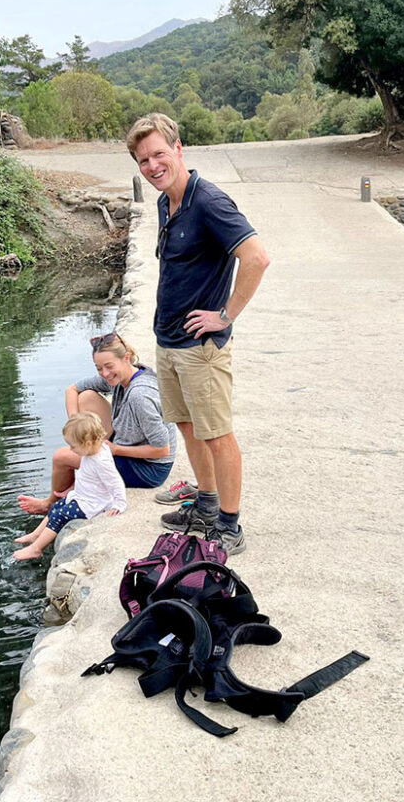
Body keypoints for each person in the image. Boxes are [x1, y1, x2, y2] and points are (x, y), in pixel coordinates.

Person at [125, 113, 269, 556]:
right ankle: (205, 506)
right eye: (143, 159)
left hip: (200, 349)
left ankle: (229, 525)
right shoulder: (166, 201)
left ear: (179, 148)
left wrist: (225, 315)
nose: (151, 166)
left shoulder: (209, 201)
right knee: (188, 427)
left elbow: (257, 258)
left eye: (158, 154)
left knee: (216, 433)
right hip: (169, 341)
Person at [17, 332, 176, 516]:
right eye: (99, 368)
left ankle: (50, 504)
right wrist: (76, 426)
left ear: (126, 358)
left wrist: (115, 450)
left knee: (62, 457)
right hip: (128, 442)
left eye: (109, 366)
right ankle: (73, 484)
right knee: (86, 397)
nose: (105, 374)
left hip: (150, 467)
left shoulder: (140, 396)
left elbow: (163, 450)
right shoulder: (122, 376)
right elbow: (72, 389)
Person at [13, 412, 125, 561]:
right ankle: (35, 535)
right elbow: (87, 475)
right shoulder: (94, 449)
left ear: (88, 443)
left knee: (60, 515)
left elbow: (115, 482)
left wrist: (119, 504)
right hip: (82, 496)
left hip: (91, 504)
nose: (71, 450)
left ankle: (36, 549)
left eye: (73, 446)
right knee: (56, 507)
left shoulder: (101, 461)